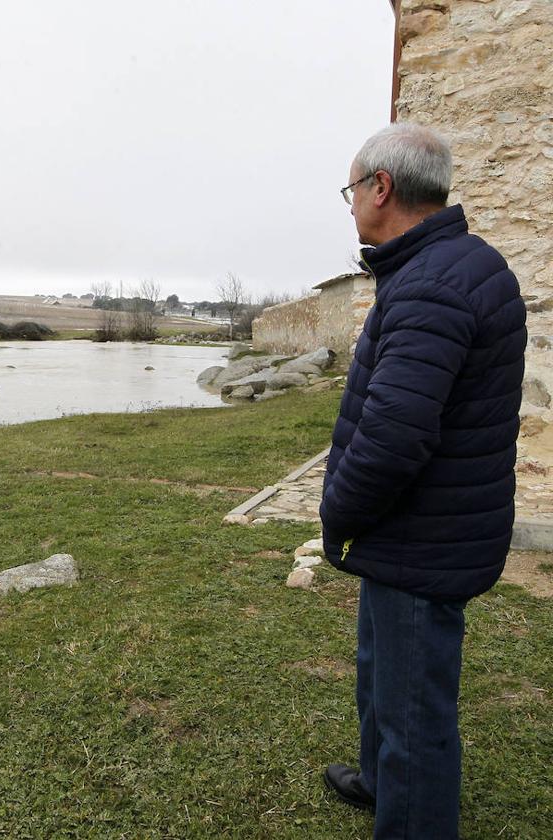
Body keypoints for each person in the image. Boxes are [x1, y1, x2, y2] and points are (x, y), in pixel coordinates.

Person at [319, 122, 526, 838]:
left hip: (422, 535)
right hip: (417, 530)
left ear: (382, 188)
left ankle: (411, 816)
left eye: (351, 190)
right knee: (384, 674)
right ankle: (382, 783)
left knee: (414, 711)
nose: (349, 206)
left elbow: (393, 440)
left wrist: (337, 515)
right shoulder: (448, 265)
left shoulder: (433, 284)